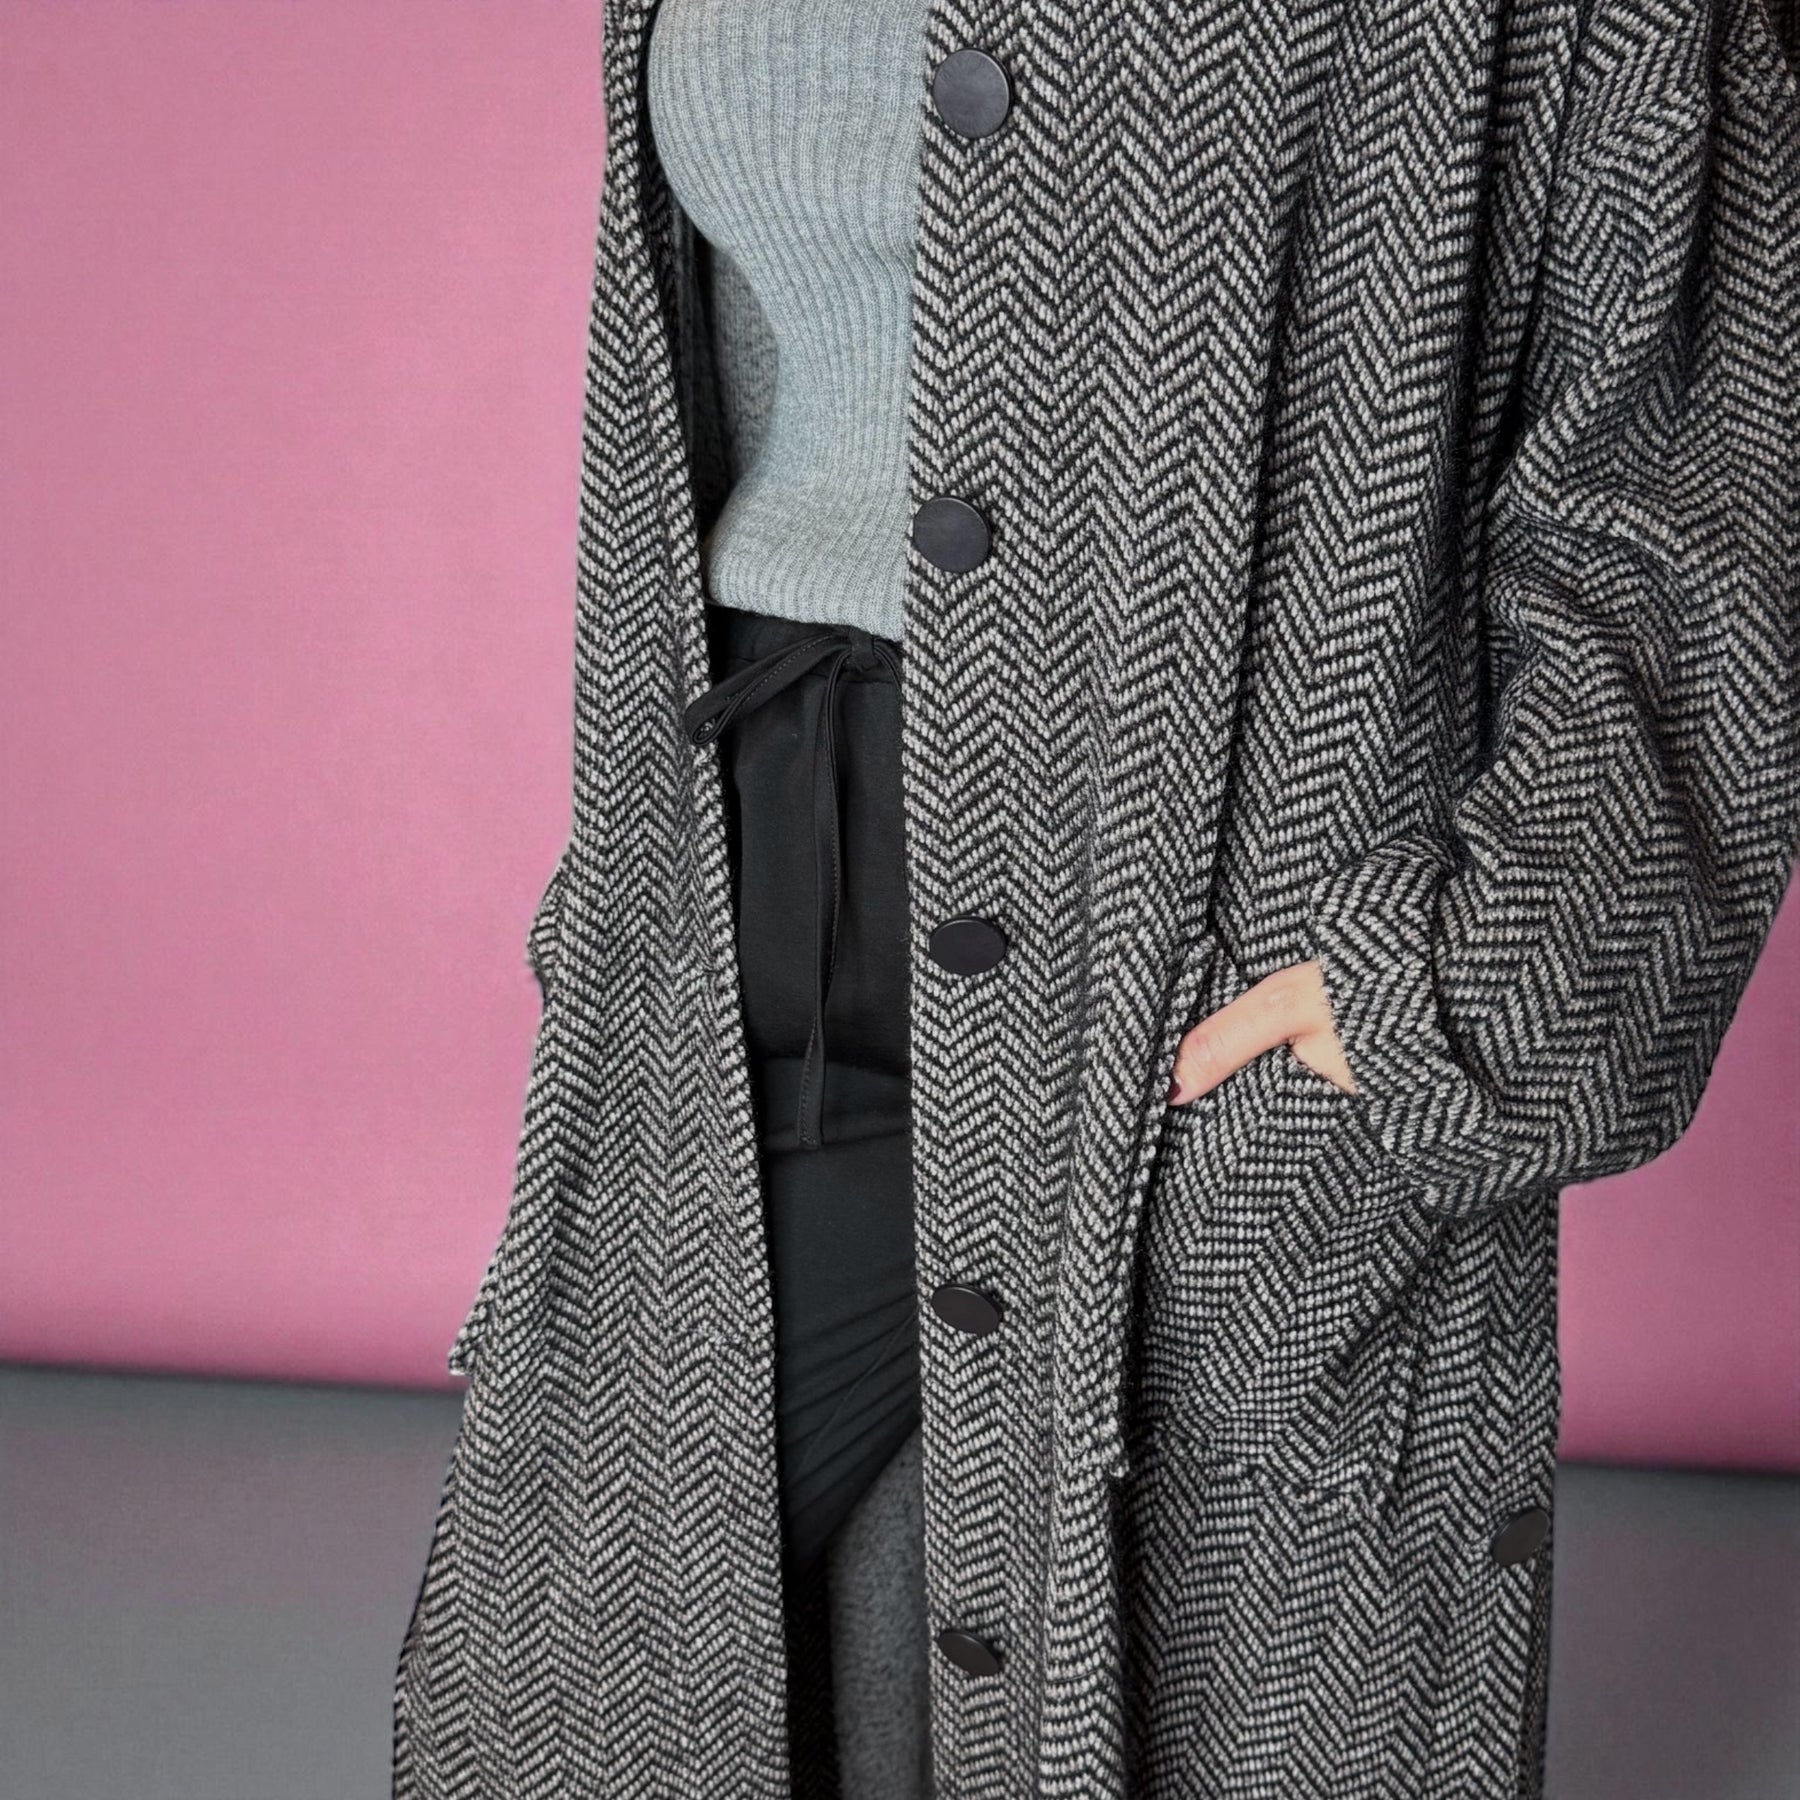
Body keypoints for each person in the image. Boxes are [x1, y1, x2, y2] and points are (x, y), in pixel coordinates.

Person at [393, 2, 1800, 1796]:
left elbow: (1691, 495)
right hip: (749, 891)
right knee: (606, 1680)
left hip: (1197, 947)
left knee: (1120, 1690)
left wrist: (1458, 989)